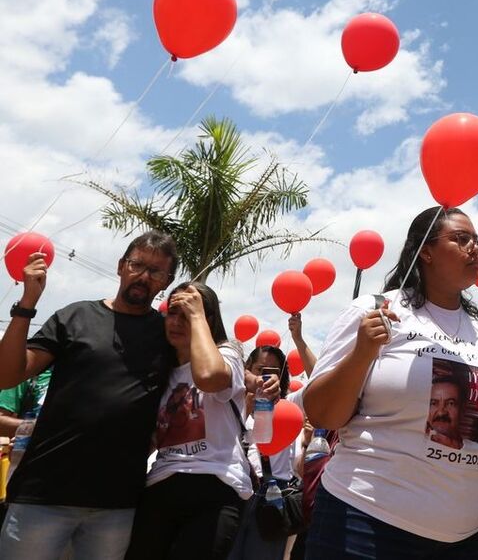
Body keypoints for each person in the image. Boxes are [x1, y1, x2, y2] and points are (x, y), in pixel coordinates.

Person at [304, 206, 478, 559]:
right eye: (461, 239)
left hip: (463, 540)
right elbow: (323, 414)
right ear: (425, 251)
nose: (475, 248)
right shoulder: (375, 310)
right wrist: (363, 351)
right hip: (364, 525)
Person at [0, 231, 178, 559]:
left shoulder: (168, 335)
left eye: (156, 272)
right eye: (137, 265)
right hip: (43, 496)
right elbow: (8, 375)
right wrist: (27, 305)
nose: (143, 276)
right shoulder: (75, 316)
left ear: (165, 282)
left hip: (116, 507)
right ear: (121, 266)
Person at [126, 282, 251, 559]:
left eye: (189, 314)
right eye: (173, 313)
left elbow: (209, 378)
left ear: (208, 321)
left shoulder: (227, 355)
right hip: (161, 483)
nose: (177, 322)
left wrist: (197, 318)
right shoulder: (160, 372)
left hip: (217, 485)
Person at [228, 346, 292, 560]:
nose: (265, 377)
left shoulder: (290, 406)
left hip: (274, 496)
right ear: (248, 370)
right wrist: (246, 405)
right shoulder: (230, 402)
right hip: (237, 489)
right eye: (260, 369)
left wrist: (299, 338)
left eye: (272, 371)